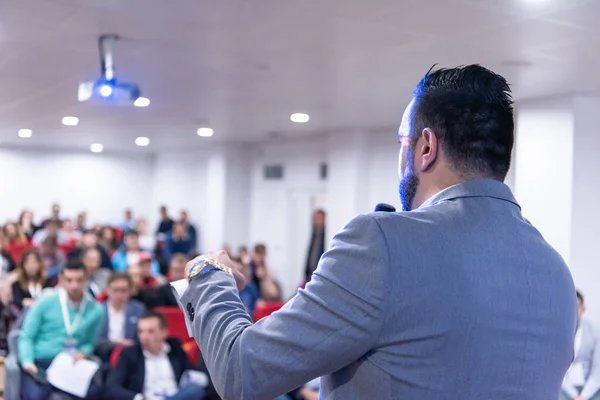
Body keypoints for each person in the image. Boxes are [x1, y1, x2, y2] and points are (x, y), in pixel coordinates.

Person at [176, 65, 577, 400]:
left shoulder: (384, 243)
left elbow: (242, 371)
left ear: (425, 148)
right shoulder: (557, 273)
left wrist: (208, 276)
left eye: (402, 141)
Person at [18, 260, 104, 400]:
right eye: (69, 280)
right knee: (36, 396)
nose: (74, 285)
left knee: (93, 391)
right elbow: (27, 335)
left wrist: (84, 352)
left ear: (87, 280)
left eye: (79, 280)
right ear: (61, 280)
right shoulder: (46, 302)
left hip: (69, 364)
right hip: (40, 362)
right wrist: (27, 361)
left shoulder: (96, 309)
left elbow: (90, 341)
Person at [104, 311, 205, 400]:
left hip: (177, 396)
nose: (144, 337)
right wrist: (140, 398)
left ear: (164, 333)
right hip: (148, 397)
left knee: (195, 390)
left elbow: (194, 375)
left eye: (150, 331)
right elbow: (111, 387)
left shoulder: (175, 349)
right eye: (140, 331)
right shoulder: (130, 354)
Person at [95, 273, 145, 362]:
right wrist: (114, 344)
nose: (119, 295)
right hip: (103, 355)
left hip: (130, 356)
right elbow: (94, 340)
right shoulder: (98, 310)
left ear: (130, 291)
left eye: (123, 290)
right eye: (116, 290)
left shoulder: (139, 310)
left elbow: (142, 337)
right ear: (107, 290)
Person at [561, 291, 600, 400]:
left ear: (583, 309)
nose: (575, 311)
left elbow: (598, 368)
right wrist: (574, 395)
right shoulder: (557, 332)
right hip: (565, 388)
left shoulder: (595, 332)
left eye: (578, 306)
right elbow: (555, 367)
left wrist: (584, 396)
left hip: (588, 388)